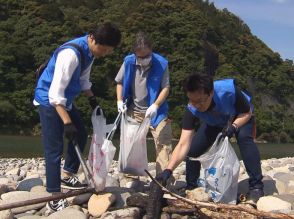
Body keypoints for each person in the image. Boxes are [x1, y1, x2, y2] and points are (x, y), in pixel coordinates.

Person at [34, 22, 121, 212]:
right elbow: (55, 95)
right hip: (49, 100)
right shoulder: (71, 55)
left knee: (81, 133)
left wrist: (93, 101)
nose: (104, 53)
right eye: (103, 49)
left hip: (65, 100)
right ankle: (54, 196)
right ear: (92, 38)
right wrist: (66, 122)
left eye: (108, 51)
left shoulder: (89, 53)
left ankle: (68, 174)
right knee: (54, 148)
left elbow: (83, 81)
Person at [156, 73, 264, 203]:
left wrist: (234, 126)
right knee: (192, 150)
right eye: (192, 101)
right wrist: (169, 170)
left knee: (244, 139)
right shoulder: (192, 109)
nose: (197, 105)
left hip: (240, 116)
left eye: (200, 101)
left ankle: (256, 186)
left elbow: (247, 112)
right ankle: (192, 186)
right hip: (215, 122)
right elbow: (183, 144)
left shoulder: (229, 90)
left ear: (211, 93)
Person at [115, 31, 172, 174]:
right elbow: (120, 82)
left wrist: (156, 105)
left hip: (156, 112)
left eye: (146, 56)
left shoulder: (161, 63)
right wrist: (119, 100)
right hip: (133, 110)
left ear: (151, 50)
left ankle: (162, 180)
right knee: (130, 143)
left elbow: (166, 87)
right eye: (139, 56)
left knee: (163, 144)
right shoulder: (129, 61)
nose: (142, 59)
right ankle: (131, 175)